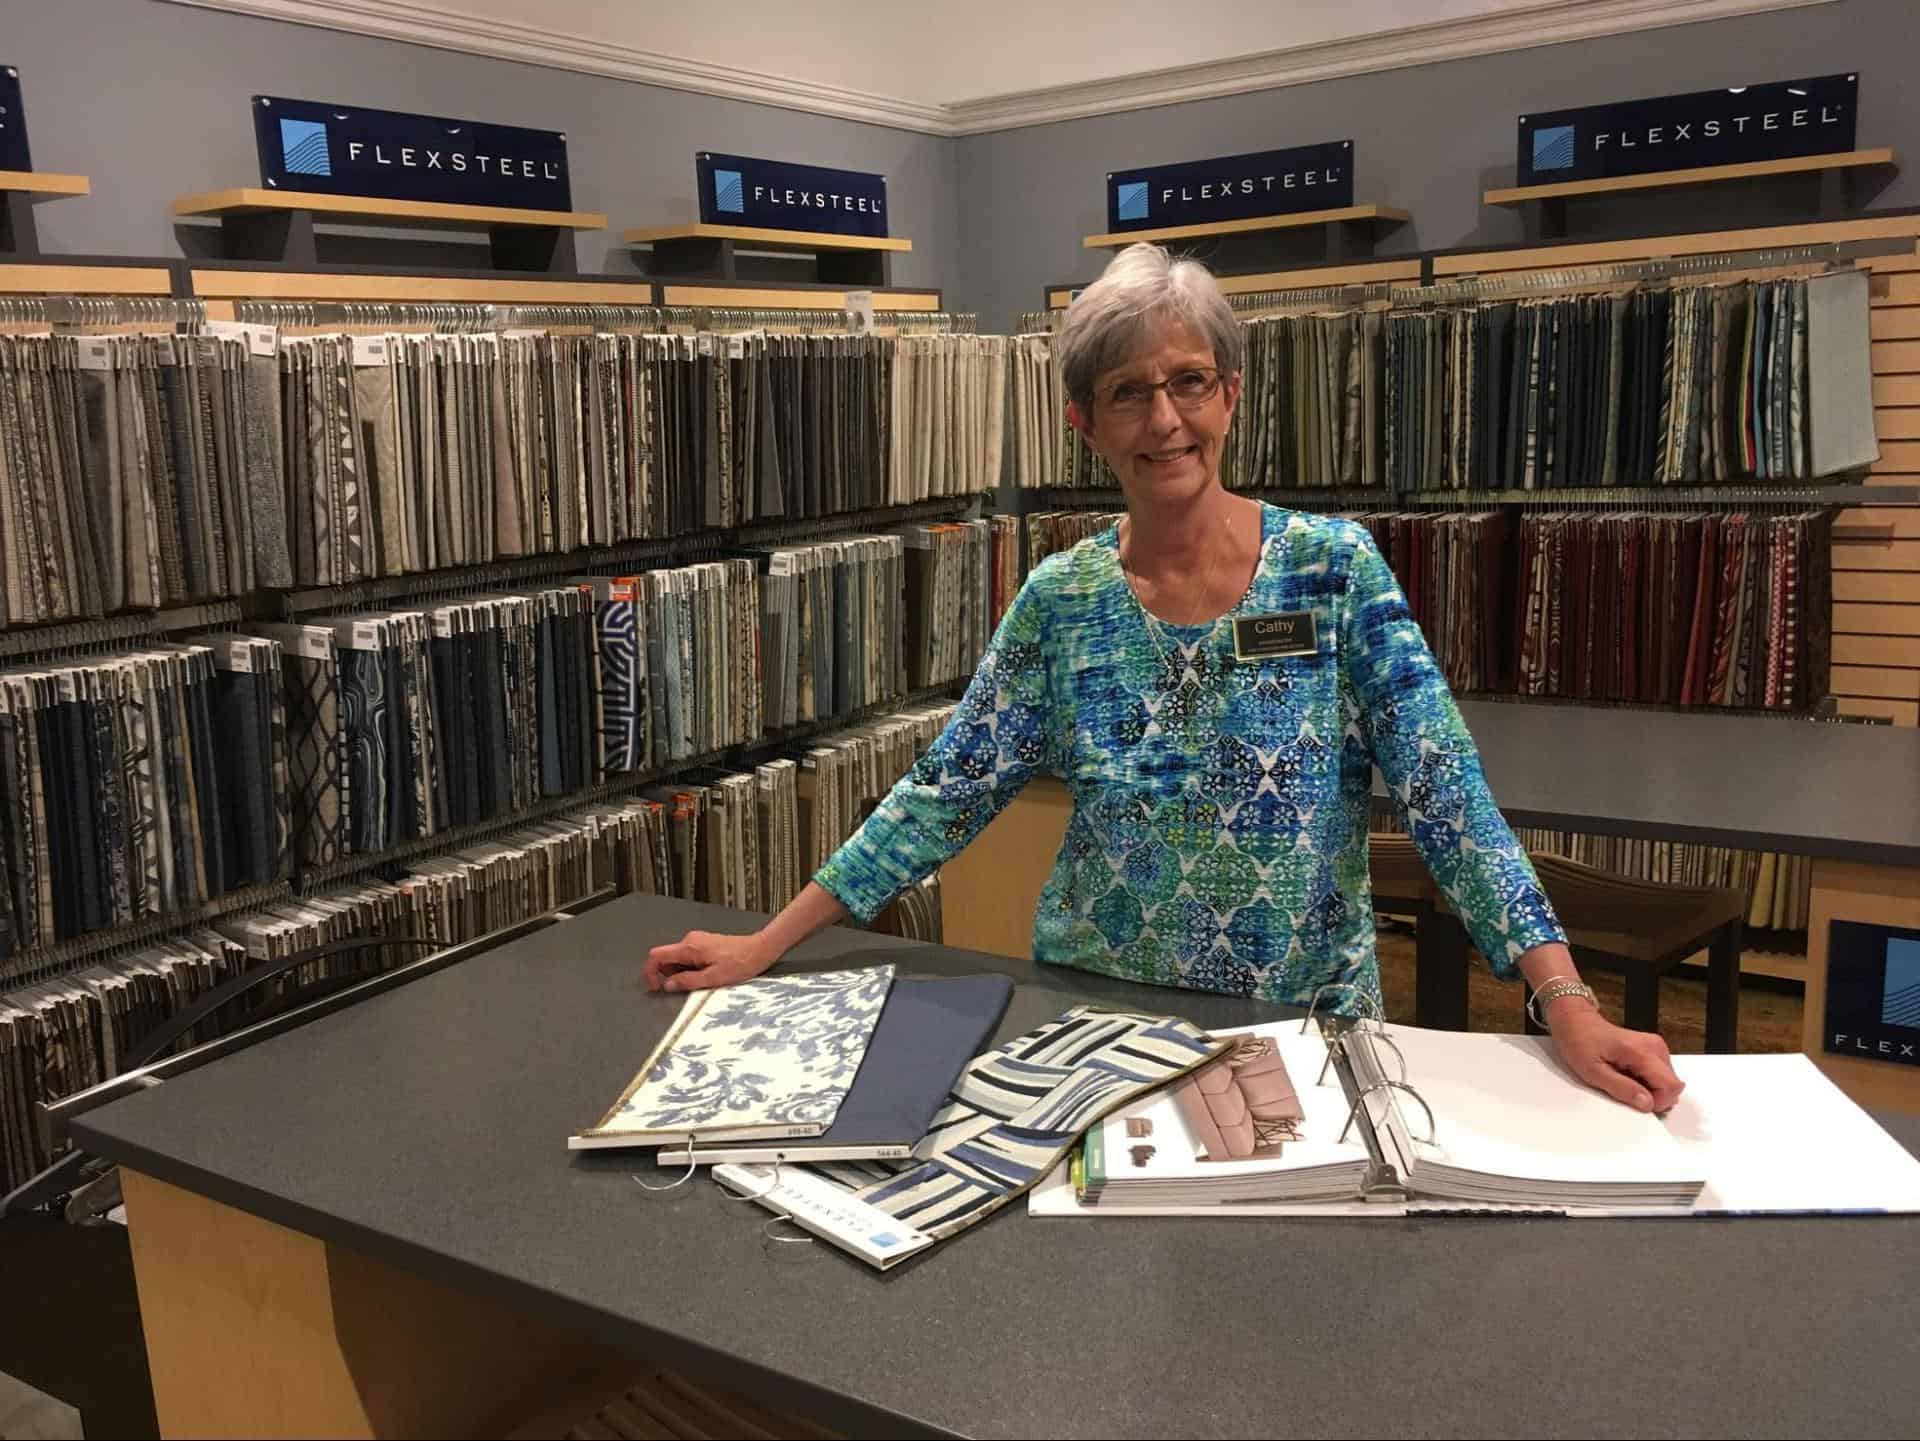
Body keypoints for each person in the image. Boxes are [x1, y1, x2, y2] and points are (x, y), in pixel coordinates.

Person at [646, 242, 1684, 1113]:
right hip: (1097, 1024)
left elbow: (1445, 793)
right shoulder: (1062, 599)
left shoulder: (1332, 571)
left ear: (1232, 394)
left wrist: (1565, 1001)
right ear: (1084, 425)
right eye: (1128, 392)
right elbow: (943, 791)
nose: (1165, 418)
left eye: (1189, 380)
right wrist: (763, 945)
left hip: (1300, 1028)